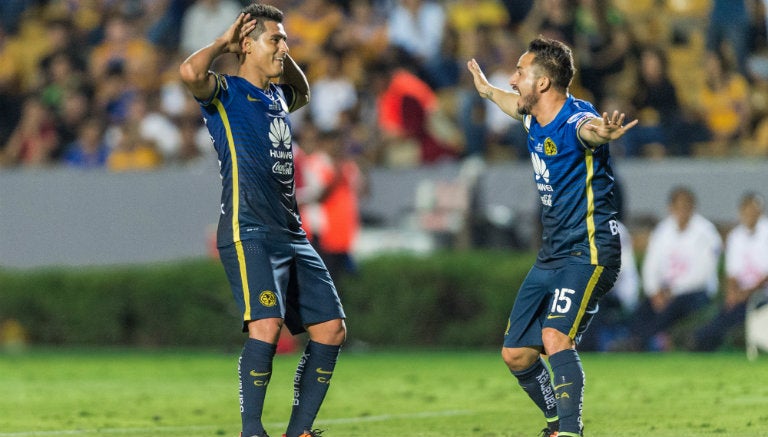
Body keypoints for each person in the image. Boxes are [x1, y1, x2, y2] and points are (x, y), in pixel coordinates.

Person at [178, 4, 346, 437]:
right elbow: (190, 73)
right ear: (247, 46)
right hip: (247, 228)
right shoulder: (226, 92)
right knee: (266, 325)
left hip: (291, 232)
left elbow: (303, 92)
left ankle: (299, 431)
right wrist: (223, 42)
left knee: (331, 328)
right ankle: (251, 430)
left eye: (286, 40)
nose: (284, 48)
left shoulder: (277, 96)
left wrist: (278, 53)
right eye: (276, 40)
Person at [467, 36, 637, 437]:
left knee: (555, 335)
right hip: (552, 255)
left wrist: (605, 132)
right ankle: (553, 424)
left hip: (590, 251)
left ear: (542, 83)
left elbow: (590, 132)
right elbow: (513, 106)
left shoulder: (578, 119)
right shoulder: (533, 116)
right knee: (516, 354)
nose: (513, 79)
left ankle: (570, 431)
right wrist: (488, 92)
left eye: (520, 72)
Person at [621, 186, 723, 351]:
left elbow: (703, 273)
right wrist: (655, 292)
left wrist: (671, 291)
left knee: (674, 307)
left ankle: (641, 343)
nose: (682, 211)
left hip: (695, 293)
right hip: (663, 292)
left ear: (693, 207)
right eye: (678, 206)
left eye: (686, 206)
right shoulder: (662, 231)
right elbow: (650, 266)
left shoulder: (706, 232)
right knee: (642, 309)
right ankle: (634, 341)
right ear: (671, 208)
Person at [690, 192, 768, 351]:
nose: (750, 214)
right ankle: (702, 340)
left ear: (760, 212)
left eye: (754, 210)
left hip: (762, 294)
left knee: (734, 313)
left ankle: (701, 339)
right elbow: (732, 273)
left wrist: (745, 293)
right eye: (746, 210)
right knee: (728, 310)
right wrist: (733, 292)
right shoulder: (736, 236)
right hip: (742, 295)